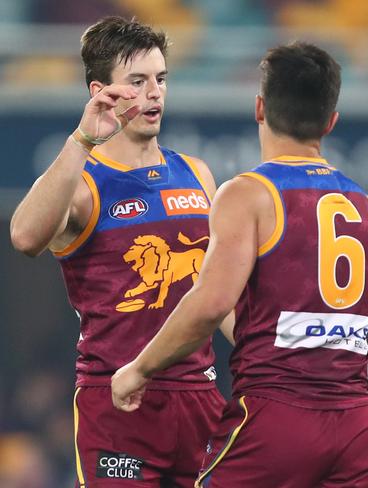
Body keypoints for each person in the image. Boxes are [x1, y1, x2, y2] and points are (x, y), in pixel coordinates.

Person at [111, 41, 368, 488]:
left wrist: (139, 369)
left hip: (278, 415)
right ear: (331, 121)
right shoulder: (362, 203)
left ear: (259, 108)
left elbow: (211, 302)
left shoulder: (249, 193)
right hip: (358, 424)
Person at [10, 16, 226, 487]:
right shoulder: (82, 183)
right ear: (100, 91)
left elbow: (219, 292)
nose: (155, 93)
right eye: (138, 82)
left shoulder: (197, 174)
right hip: (117, 403)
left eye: (161, 79)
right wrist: (83, 139)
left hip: (200, 400)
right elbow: (25, 237)